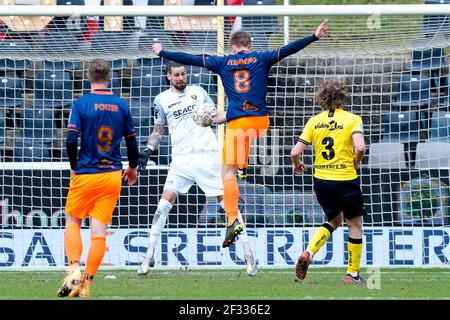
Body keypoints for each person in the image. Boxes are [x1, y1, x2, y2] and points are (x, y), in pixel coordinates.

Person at [151, 20, 329, 247]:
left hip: (238, 123)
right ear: (250, 44)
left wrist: (162, 52)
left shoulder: (223, 62)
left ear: (232, 46)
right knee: (236, 147)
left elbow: (192, 59)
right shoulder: (261, 57)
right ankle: (244, 166)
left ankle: (233, 218)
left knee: (227, 173)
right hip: (261, 122)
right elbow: (288, 49)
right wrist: (313, 35)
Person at [137, 61, 257, 276]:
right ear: (168, 76)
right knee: (163, 206)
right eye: (176, 75)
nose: (181, 78)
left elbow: (215, 116)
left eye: (183, 74)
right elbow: (158, 132)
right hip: (181, 161)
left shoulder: (199, 92)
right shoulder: (161, 100)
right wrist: (147, 149)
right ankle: (148, 257)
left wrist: (232, 114)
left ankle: (249, 256)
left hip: (208, 158)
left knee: (229, 207)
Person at [57, 58, 139, 298]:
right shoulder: (121, 105)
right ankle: (87, 286)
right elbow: (132, 143)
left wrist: (74, 167)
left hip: (86, 173)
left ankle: (74, 269)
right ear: (109, 77)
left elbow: (71, 140)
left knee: (73, 221)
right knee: (99, 232)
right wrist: (132, 167)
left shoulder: (81, 104)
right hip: (112, 174)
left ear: (88, 76)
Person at [290, 80, 367, 285]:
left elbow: (295, 152)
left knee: (334, 220)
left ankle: (308, 252)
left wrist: (298, 165)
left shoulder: (314, 121)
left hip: (322, 180)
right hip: (346, 179)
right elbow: (360, 147)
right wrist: (355, 162)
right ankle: (352, 274)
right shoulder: (352, 119)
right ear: (342, 97)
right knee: (355, 225)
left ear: (321, 99)